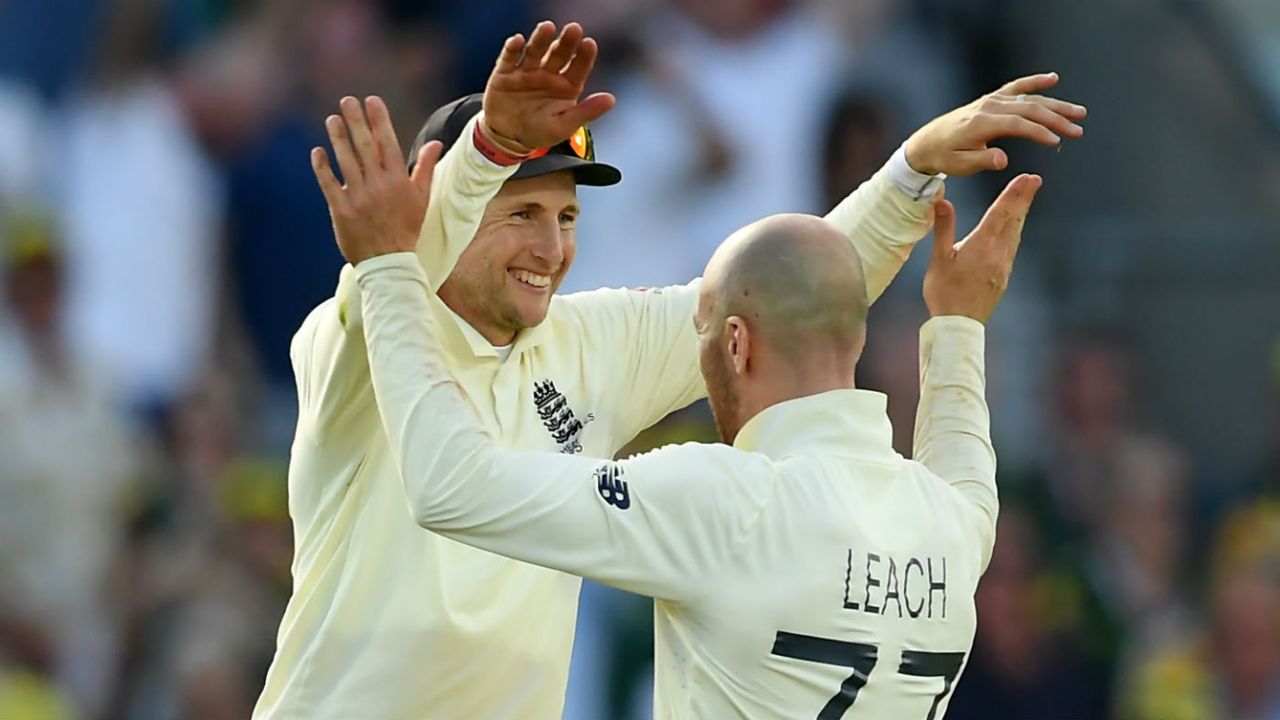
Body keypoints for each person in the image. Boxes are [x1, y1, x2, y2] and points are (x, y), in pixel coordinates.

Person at [258, 17, 1086, 718]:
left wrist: (910, 173)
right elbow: (401, 268)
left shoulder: (587, 344)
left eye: (567, 215)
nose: (551, 249)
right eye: (520, 214)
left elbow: (790, 296)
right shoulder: (358, 335)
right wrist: (484, 151)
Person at [342, 167, 1043, 717]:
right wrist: (957, 323)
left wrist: (388, 269)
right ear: (854, 340)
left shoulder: (726, 502)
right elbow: (962, 456)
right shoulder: (955, 527)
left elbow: (447, 487)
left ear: (735, 344)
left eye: (701, 334)